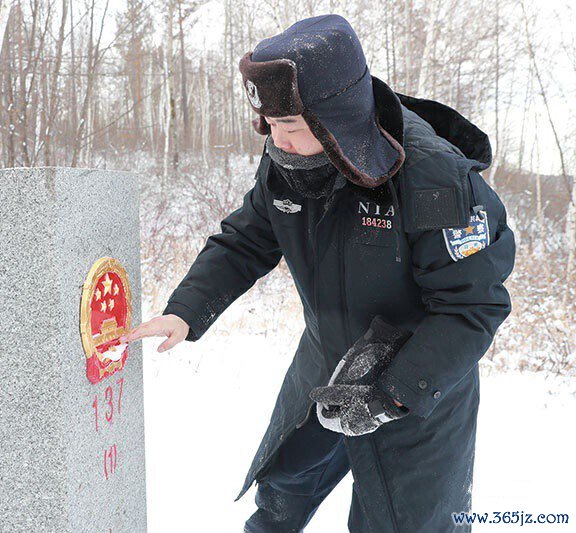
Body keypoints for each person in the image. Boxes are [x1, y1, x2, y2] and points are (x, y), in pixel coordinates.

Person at [121, 14, 515, 532]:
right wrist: (185, 311)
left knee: (402, 523)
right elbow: (245, 240)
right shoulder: (288, 164)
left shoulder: (433, 179)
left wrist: (393, 394)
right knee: (282, 491)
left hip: (419, 386)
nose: (277, 141)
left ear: (340, 121)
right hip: (326, 363)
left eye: (290, 128)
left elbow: (472, 306)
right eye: (270, 126)